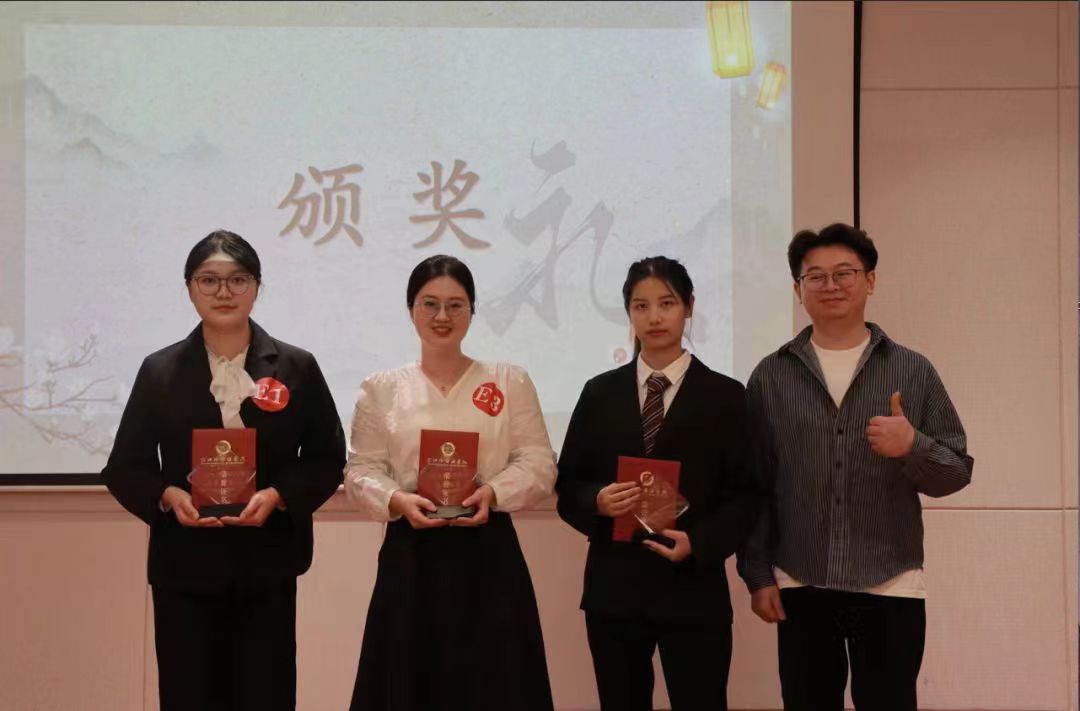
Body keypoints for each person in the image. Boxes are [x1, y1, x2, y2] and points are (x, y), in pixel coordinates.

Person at [101, 229, 346, 711]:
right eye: (208, 280)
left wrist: (277, 494)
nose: (224, 292)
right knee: (188, 696)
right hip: (185, 567)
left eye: (238, 279)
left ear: (257, 287)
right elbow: (125, 467)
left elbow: (326, 457)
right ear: (189, 288)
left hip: (267, 564)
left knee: (266, 695)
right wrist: (168, 496)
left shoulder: (296, 366)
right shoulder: (160, 370)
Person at [737, 223, 974, 711]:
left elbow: (956, 472)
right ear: (798, 289)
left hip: (891, 579)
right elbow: (754, 484)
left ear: (870, 280)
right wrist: (758, 574)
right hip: (801, 577)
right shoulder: (771, 375)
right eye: (815, 276)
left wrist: (912, 445)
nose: (831, 285)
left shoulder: (912, 370)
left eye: (844, 273)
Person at [345, 254, 556, 711]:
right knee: (406, 680)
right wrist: (397, 499)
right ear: (411, 309)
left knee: (496, 682)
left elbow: (539, 461)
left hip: (488, 551)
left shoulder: (509, 381)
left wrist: (493, 492)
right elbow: (361, 469)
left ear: (472, 311)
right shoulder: (382, 388)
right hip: (412, 553)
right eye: (430, 303)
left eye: (456, 305)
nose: (442, 316)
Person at [555, 256, 759, 711]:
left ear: (689, 306)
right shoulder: (599, 392)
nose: (654, 317)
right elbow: (567, 484)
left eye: (666, 303)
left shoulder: (726, 396)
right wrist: (597, 501)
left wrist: (699, 542)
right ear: (628, 312)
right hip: (614, 589)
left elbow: (747, 494)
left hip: (693, 589)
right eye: (640, 305)